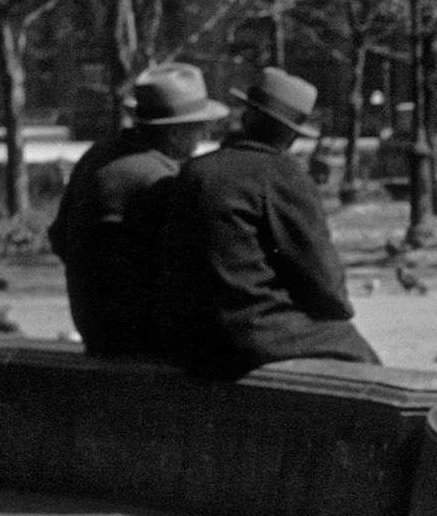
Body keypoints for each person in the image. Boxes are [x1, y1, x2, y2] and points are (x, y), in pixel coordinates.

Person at [160, 66, 379, 381]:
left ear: (246, 118)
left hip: (190, 336)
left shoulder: (195, 171)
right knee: (357, 351)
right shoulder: (283, 176)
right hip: (250, 334)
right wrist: (335, 310)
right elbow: (324, 282)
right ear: (291, 134)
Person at [48, 62, 226, 358]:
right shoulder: (162, 177)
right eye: (199, 126)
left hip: (96, 328)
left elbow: (59, 238)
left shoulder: (99, 155)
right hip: (144, 340)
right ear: (175, 133)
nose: (206, 132)